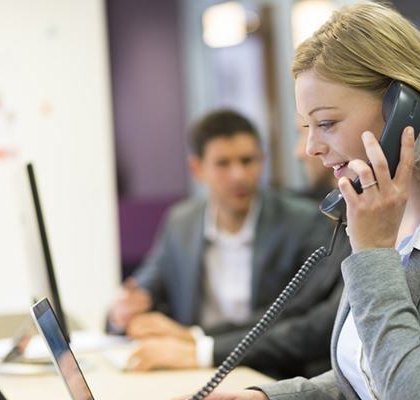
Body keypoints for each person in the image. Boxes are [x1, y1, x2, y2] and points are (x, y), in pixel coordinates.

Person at [171, 2, 420, 400]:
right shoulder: (383, 217)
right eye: (307, 127)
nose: (312, 147)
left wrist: (372, 254)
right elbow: (366, 379)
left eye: (326, 123)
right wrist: (263, 398)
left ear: (405, 110)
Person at [107, 109, 342, 378]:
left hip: (265, 371)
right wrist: (122, 312)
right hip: (192, 368)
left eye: (247, 161)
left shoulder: (302, 221)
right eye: (223, 164)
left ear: (262, 160)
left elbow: (305, 316)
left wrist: (198, 342)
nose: (238, 175)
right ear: (197, 169)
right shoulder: (182, 222)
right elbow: (145, 286)